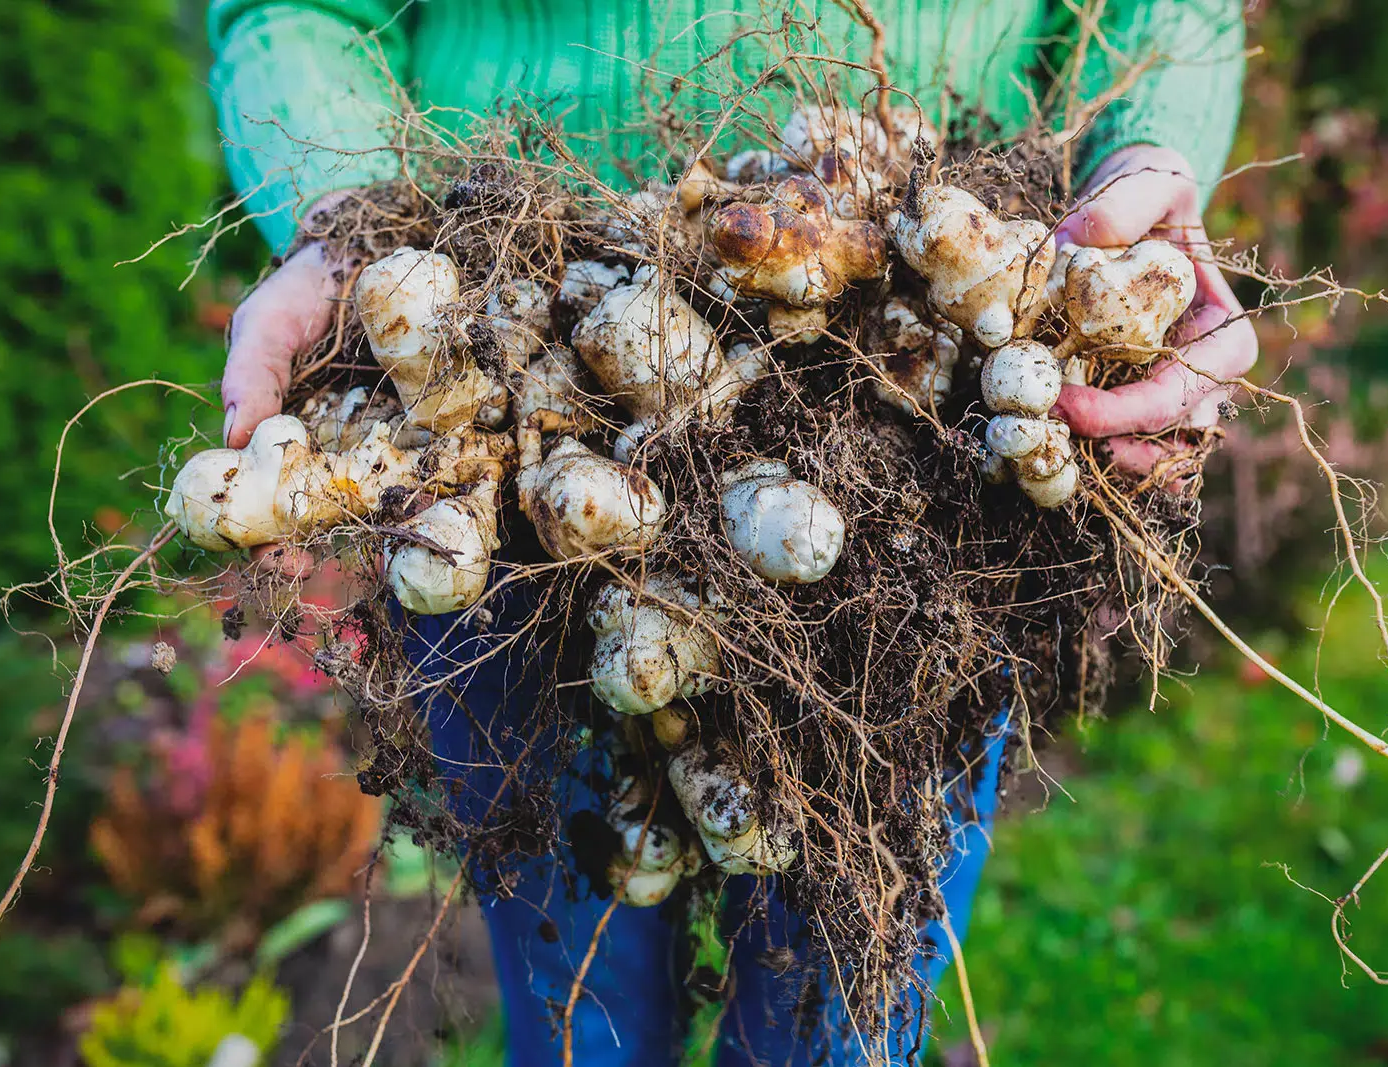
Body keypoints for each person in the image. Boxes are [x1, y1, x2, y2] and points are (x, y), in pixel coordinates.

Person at [206, 2, 1256, 1063]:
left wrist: (1144, 161)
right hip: (500, 331)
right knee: (579, 1011)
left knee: (844, 1003)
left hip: (932, 428)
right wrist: (352, 224)